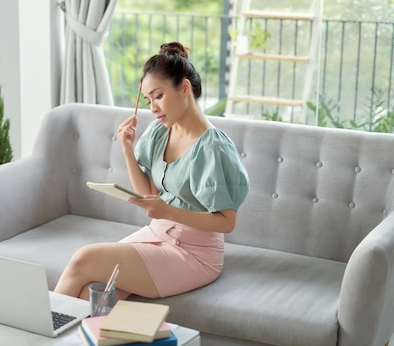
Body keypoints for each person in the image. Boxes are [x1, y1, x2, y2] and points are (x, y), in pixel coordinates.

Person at [53, 41, 249, 300]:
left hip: (195, 253)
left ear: (184, 88)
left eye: (158, 96)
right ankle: (65, 338)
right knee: (93, 295)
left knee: (84, 259)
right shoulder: (160, 131)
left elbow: (227, 221)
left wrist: (167, 210)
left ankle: (43, 334)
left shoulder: (214, 147)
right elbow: (147, 193)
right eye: (148, 100)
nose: (153, 107)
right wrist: (127, 147)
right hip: (157, 233)